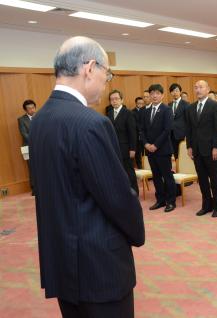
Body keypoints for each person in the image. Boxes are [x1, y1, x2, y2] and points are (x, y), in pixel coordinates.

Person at [29, 36, 145, 318]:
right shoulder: (91, 122)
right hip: (98, 264)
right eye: (108, 74)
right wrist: (137, 231)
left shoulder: (41, 119)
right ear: (90, 68)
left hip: (62, 258)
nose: (107, 83)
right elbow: (116, 197)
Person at [186, 80, 217, 217]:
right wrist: (189, 146)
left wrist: (216, 147)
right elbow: (189, 129)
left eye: (201, 87)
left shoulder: (215, 106)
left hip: (211, 149)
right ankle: (206, 205)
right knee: (202, 179)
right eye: (195, 87)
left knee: (215, 179)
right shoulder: (191, 108)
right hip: (196, 150)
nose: (198, 90)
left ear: (208, 89)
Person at [140, 84, 176, 213]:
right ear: (149, 95)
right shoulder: (145, 111)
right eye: (152, 93)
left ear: (162, 95)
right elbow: (142, 130)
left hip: (163, 150)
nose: (154, 96)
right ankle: (160, 200)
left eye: (157, 93)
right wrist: (146, 144)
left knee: (167, 176)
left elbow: (167, 130)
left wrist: (155, 145)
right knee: (156, 176)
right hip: (149, 150)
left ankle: (171, 201)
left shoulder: (167, 110)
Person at [106, 90, 139, 195]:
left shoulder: (128, 113)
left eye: (116, 99)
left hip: (126, 148)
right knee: (117, 171)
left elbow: (132, 132)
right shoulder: (109, 113)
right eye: (112, 99)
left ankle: (134, 192)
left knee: (129, 171)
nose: (114, 101)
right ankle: (122, 192)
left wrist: (133, 149)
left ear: (122, 100)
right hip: (113, 148)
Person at [18, 99, 36, 195]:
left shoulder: (40, 117)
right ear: (25, 110)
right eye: (29, 108)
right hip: (29, 147)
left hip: (42, 146)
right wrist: (36, 141)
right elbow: (24, 134)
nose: (32, 110)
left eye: (33, 108)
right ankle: (34, 189)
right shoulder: (21, 120)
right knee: (32, 167)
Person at [168, 83, 189, 159]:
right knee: (175, 155)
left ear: (180, 92)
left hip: (182, 134)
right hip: (171, 134)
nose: (175, 93)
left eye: (177, 91)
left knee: (183, 155)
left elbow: (188, 121)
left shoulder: (186, 104)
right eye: (173, 91)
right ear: (170, 93)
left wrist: (187, 135)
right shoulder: (169, 105)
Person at [131, 96, 145, 168]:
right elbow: (134, 124)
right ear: (136, 103)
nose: (140, 105)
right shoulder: (132, 112)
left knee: (145, 153)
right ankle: (140, 167)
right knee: (138, 153)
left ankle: (146, 168)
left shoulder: (145, 110)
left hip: (145, 135)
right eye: (139, 103)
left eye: (142, 103)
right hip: (136, 135)